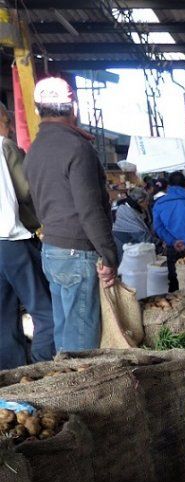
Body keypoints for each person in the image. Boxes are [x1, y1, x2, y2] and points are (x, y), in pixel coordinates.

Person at [24, 77, 118, 353]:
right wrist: (109, 255)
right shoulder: (78, 148)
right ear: (73, 107)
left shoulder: (34, 150)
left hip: (51, 251)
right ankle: (79, 381)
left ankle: (63, 379)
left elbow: (33, 201)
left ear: (38, 110)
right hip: (78, 253)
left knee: (65, 335)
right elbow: (90, 210)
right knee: (81, 344)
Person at [0, 103, 54, 369]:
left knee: (4, 319)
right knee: (46, 313)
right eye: (7, 122)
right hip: (14, 242)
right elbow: (25, 190)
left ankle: (11, 377)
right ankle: (44, 371)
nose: (10, 128)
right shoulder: (5, 146)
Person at [152, 171, 185, 291]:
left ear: (168, 186)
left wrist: (173, 241)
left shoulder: (159, 203)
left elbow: (158, 227)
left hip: (171, 248)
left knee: (174, 283)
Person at [111, 187, 152, 260]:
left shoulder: (130, 207)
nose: (148, 203)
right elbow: (142, 235)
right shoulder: (129, 212)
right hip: (124, 245)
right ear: (140, 201)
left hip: (128, 244)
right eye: (146, 201)